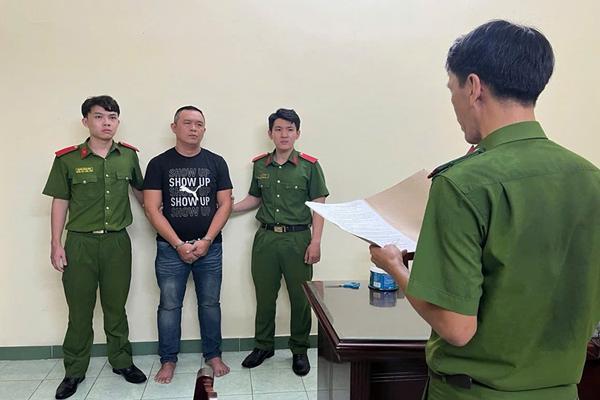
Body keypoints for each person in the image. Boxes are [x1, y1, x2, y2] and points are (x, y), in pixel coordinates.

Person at [370, 20, 600, 400]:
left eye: (452, 90)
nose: (454, 104)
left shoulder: (462, 184)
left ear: (474, 87)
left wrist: (394, 266)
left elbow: (457, 328)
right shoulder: (590, 178)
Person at [43, 95, 147, 400]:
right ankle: (74, 371)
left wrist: (167, 219)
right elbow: (60, 201)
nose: (106, 123)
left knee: (116, 308)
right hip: (80, 243)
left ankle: (122, 361)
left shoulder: (128, 157)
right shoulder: (68, 160)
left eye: (112, 117)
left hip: (117, 243)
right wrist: (56, 243)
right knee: (79, 311)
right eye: (99, 116)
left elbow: (142, 195)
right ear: (86, 121)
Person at [233, 108, 329, 376]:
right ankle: (263, 346)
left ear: (298, 133)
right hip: (265, 239)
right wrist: (226, 209)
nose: (284, 134)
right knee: (265, 296)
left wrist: (316, 241)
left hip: (298, 239)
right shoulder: (260, 165)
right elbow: (254, 199)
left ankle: (299, 349)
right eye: (278, 129)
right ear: (270, 134)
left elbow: (319, 206)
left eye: (289, 129)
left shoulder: (309, 166)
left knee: (300, 297)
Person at [143, 106, 233, 383]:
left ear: (204, 129)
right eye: (187, 123)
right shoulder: (158, 164)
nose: (194, 128)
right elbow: (152, 209)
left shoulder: (216, 162)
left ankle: (213, 355)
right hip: (170, 249)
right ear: (174, 127)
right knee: (169, 305)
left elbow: (225, 204)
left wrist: (206, 240)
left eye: (199, 124)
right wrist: (178, 244)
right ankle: (168, 360)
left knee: (210, 304)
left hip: (210, 248)